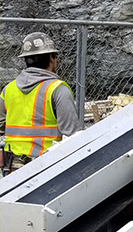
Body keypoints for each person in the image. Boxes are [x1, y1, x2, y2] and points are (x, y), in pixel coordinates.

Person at [1, 32, 83, 175]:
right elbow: (72, 136)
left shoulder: (8, 89)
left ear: (25, 60)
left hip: (12, 168)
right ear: (52, 58)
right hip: (46, 169)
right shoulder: (58, 89)